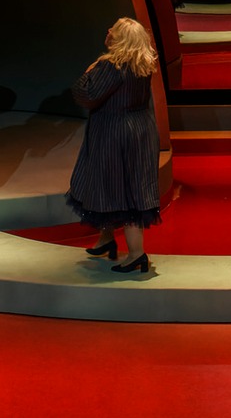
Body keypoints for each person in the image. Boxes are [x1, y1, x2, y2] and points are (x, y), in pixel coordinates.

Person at [68, 17, 163, 275]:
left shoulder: (112, 65)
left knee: (116, 188)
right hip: (140, 130)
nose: (108, 30)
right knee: (127, 187)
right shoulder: (143, 63)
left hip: (115, 132)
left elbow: (86, 95)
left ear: (119, 37)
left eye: (113, 29)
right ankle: (107, 239)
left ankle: (136, 254)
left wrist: (91, 69)